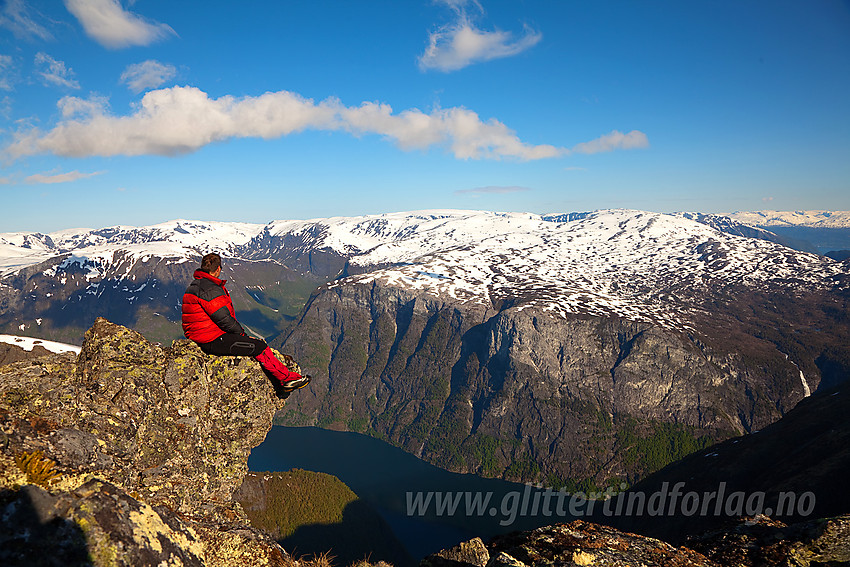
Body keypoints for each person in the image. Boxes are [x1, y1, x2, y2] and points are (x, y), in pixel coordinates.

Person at [181, 252, 310, 396]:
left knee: (251, 344)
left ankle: (281, 383)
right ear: (218, 269)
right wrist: (241, 334)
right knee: (259, 346)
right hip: (211, 340)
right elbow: (223, 319)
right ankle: (286, 379)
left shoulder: (194, 286)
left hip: (199, 337)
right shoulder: (210, 289)